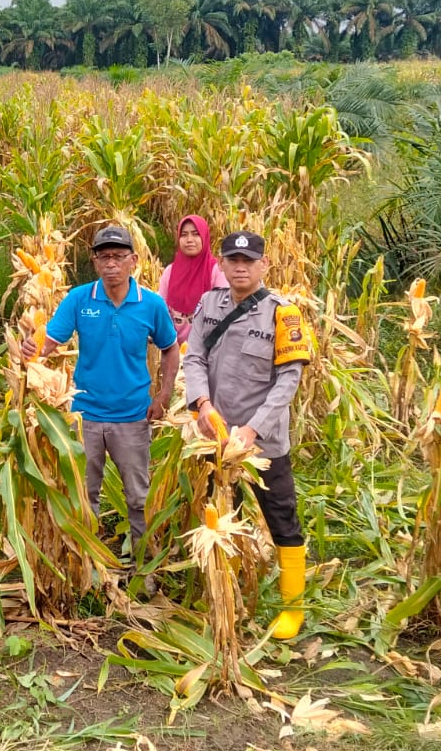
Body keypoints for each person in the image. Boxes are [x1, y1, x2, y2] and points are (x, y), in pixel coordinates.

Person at [182, 230, 314, 640]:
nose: (240, 267)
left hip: (263, 443)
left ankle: (293, 608)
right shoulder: (209, 304)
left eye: (249, 261)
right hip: (215, 438)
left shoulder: (283, 313)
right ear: (221, 264)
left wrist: (254, 429)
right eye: (232, 260)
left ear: (264, 266)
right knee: (222, 514)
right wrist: (202, 405)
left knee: (282, 518)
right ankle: (227, 592)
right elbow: (195, 358)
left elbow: (288, 380)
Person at [24, 224, 180, 560]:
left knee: (139, 497)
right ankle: (88, 568)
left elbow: (170, 348)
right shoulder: (79, 299)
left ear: (133, 261)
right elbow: (50, 342)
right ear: (95, 262)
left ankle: (143, 566)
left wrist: (163, 395)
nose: (111, 263)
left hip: (134, 415)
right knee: (84, 495)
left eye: (118, 256)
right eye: (104, 256)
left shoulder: (151, 304)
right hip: (86, 415)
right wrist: (30, 353)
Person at [157, 214, 227, 344]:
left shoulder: (217, 271)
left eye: (195, 234)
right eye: (184, 235)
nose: (189, 239)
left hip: (208, 349)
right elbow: (161, 310)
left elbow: (222, 312)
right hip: (173, 348)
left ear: (205, 237)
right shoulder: (170, 272)